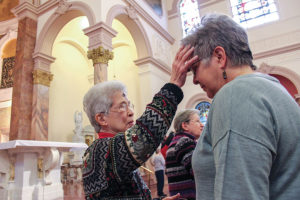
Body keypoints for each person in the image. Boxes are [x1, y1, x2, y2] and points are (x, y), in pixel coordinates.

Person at [174, 13, 300, 199]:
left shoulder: (235, 94)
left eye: (195, 69)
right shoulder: (272, 87)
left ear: (219, 57)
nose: (194, 80)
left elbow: (239, 192)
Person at [81, 45, 196, 200]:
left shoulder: (114, 150)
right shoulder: (99, 150)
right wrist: (173, 85)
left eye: (129, 105)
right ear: (102, 118)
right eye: (122, 106)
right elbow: (143, 137)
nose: (131, 111)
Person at [165, 109, 204, 200]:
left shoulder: (176, 141)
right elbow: (199, 172)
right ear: (185, 125)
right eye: (198, 121)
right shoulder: (184, 142)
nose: (202, 125)